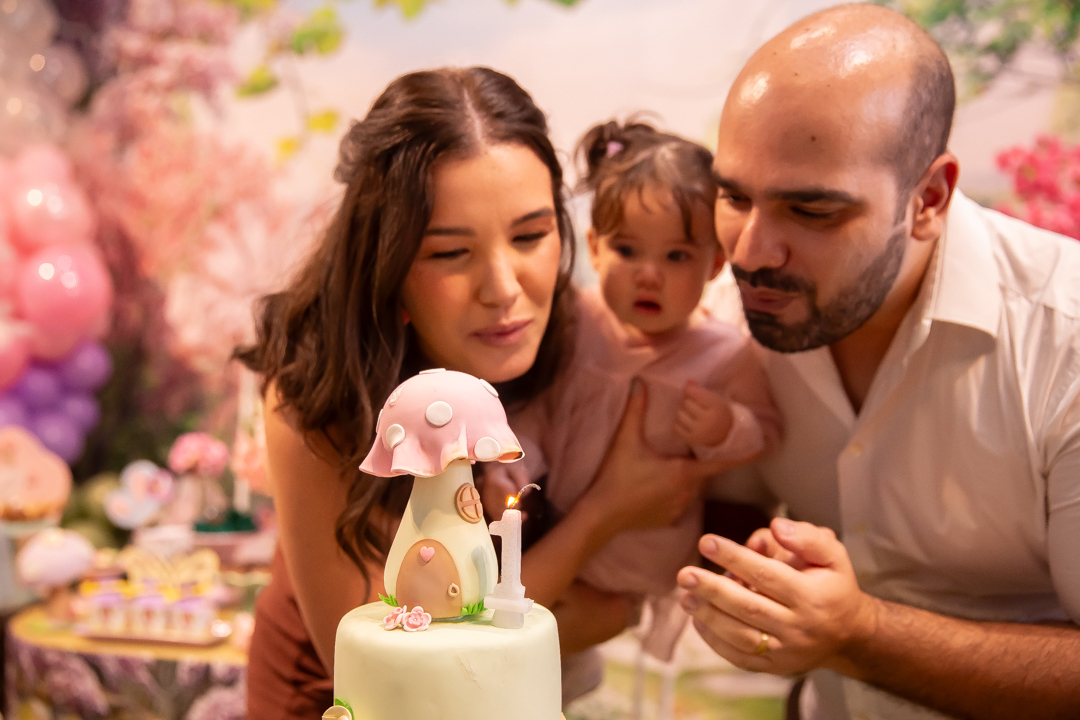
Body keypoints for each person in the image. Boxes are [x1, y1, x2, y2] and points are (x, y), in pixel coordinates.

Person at [237, 67, 716, 719]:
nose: (503, 288)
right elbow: (388, 656)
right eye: (450, 253)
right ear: (389, 265)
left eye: (530, 236)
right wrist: (604, 514)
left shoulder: (582, 343)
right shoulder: (316, 393)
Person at [675, 4, 1080, 720]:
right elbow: (722, 510)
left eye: (812, 211)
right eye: (733, 196)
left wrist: (858, 633)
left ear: (929, 198)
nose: (748, 254)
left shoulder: (1063, 340)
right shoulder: (731, 321)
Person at [484, 120, 780, 688]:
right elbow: (538, 407)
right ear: (593, 247)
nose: (649, 275)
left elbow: (765, 431)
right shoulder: (578, 321)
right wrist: (510, 464)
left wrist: (725, 426)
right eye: (627, 249)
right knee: (527, 643)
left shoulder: (725, 354)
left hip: (643, 548)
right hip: (556, 528)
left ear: (714, 265)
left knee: (560, 640)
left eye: (675, 256)